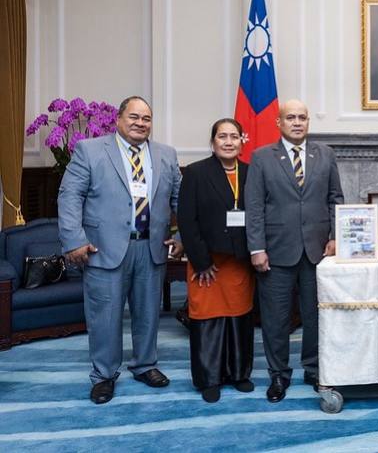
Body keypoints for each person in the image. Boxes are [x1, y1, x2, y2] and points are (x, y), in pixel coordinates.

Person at [58, 96, 183, 404]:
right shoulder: (90, 150)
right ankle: (103, 375)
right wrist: (74, 240)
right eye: (134, 117)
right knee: (105, 316)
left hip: (151, 247)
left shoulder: (166, 154)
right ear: (118, 119)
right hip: (105, 248)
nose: (141, 123)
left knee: (148, 313)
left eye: (147, 118)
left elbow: (182, 198)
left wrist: (183, 237)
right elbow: (69, 195)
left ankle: (145, 365)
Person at [244, 99, 344, 403]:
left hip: (317, 252)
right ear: (279, 123)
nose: (297, 122)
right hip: (275, 251)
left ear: (308, 121)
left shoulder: (325, 154)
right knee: (276, 318)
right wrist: (257, 248)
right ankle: (278, 374)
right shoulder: (262, 158)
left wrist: (337, 236)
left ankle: (313, 369)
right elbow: (255, 206)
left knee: (316, 315)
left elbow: (335, 198)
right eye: (290, 118)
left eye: (302, 117)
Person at [177, 118, 256, 403]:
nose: (228, 141)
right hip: (207, 263)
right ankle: (208, 379)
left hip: (239, 261)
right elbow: (187, 219)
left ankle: (239, 373)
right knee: (207, 320)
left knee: (239, 318)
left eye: (234, 136)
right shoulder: (196, 173)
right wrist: (200, 261)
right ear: (213, 142)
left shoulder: (251, 172)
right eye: (222, 136)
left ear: (241, 142)